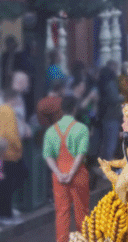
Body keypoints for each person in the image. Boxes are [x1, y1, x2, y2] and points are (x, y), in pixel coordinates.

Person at [43, 96, 90, 242]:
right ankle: (83, 239)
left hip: (59, 175)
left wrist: (58, 173)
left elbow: (48, 155)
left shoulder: (51, 131)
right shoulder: (82, 129)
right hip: (78, 174)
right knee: (82, 210)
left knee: (62, 212)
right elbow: (81, 154)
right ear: (74, 109)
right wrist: (71, 173)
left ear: (61, 110)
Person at [0, 87, 29, 222]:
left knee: (8, 184)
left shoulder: (5, 110)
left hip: (8, 153)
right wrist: (18, 146)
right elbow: (9, 134)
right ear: (12, 99)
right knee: (7, 185)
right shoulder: (7, 111)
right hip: (9, 153)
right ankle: (4, 214)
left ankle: (5, 212)